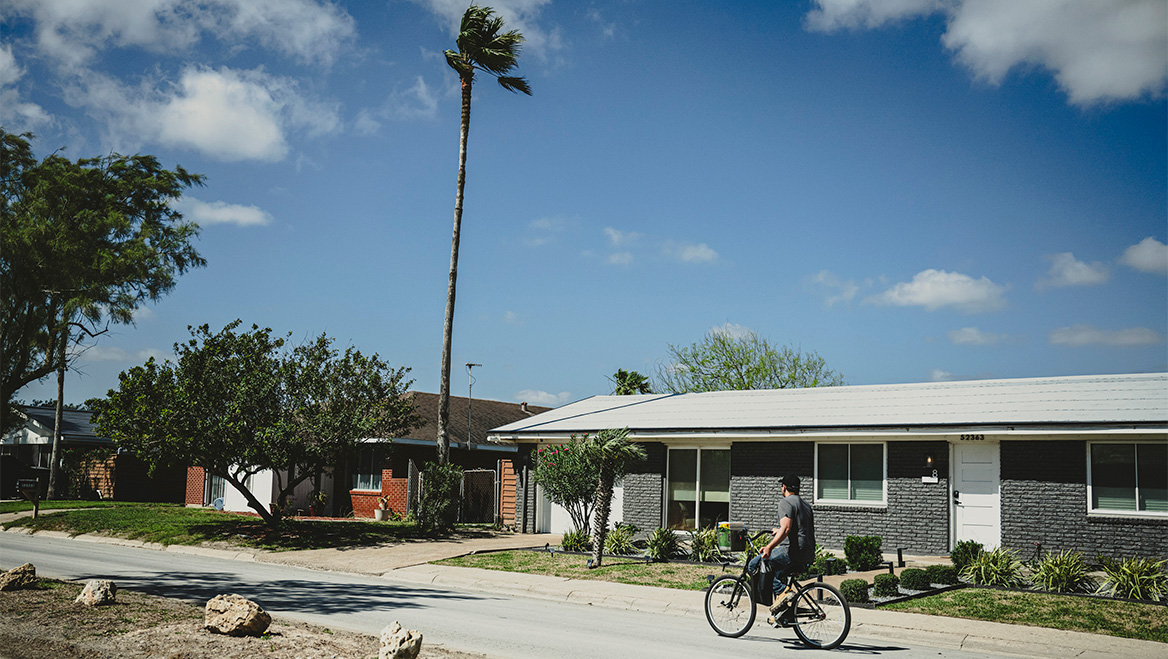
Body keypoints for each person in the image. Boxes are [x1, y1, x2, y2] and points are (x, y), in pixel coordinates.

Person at [747, 473, 815, 621]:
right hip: (807, 554)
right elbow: (799, 529)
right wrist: (779, 531)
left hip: (791, 552)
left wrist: (769, 547)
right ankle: (782, 612)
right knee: (775, 574)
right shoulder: (806, 505)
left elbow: (786, 528)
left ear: (784, 487)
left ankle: (783, 592)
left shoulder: (786, 502)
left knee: (754, 565)